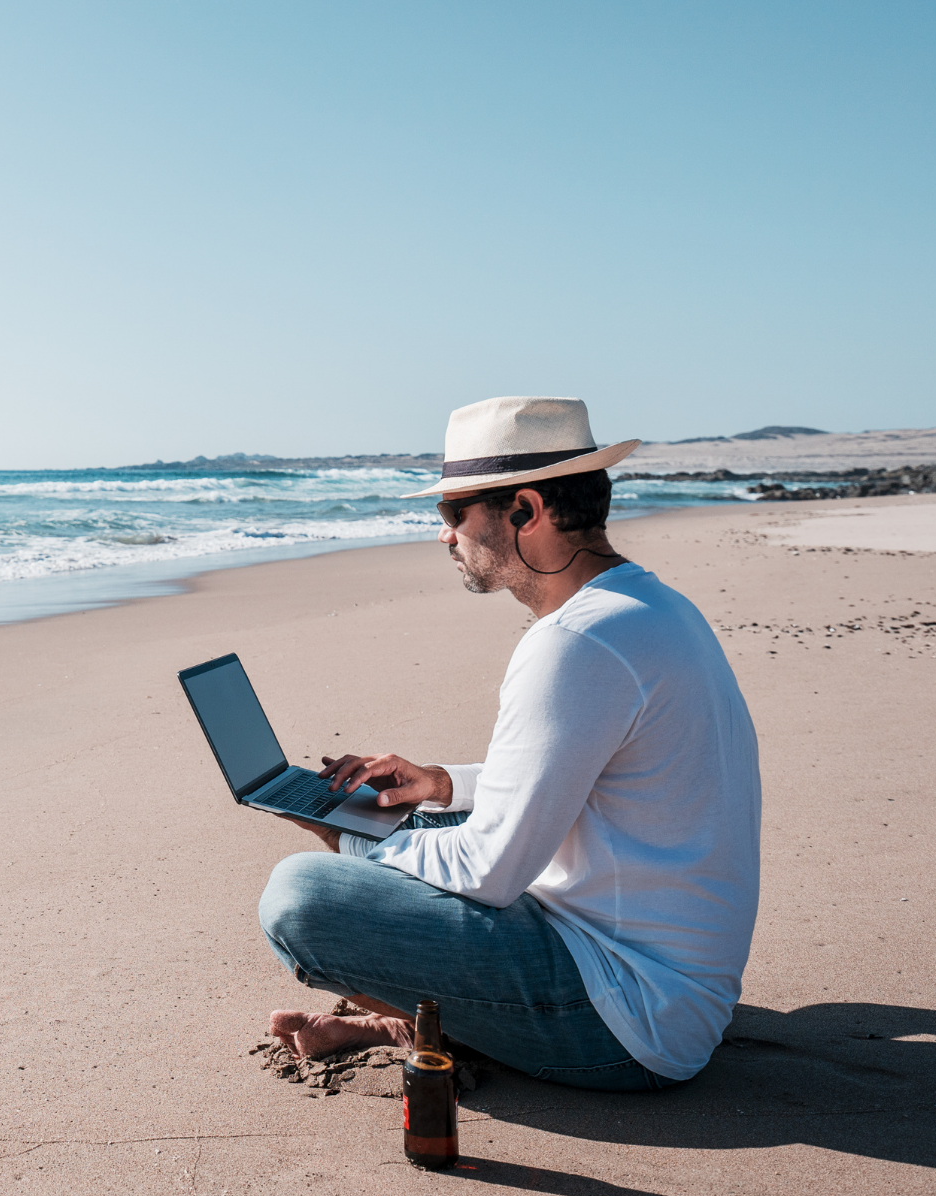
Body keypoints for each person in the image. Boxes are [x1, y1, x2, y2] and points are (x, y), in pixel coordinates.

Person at [257, 396, 760, 1090]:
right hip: (670, 980)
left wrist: (344, 831)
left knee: (301, 896)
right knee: (429, 824)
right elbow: (592, 776)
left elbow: (490, 870)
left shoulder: (574, 643)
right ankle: (423, 1019)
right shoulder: (649, 609)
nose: (445, 537)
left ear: (525, 511)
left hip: (628, 1019)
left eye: (453, 514)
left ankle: (421, 1025)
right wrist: (438, 786)